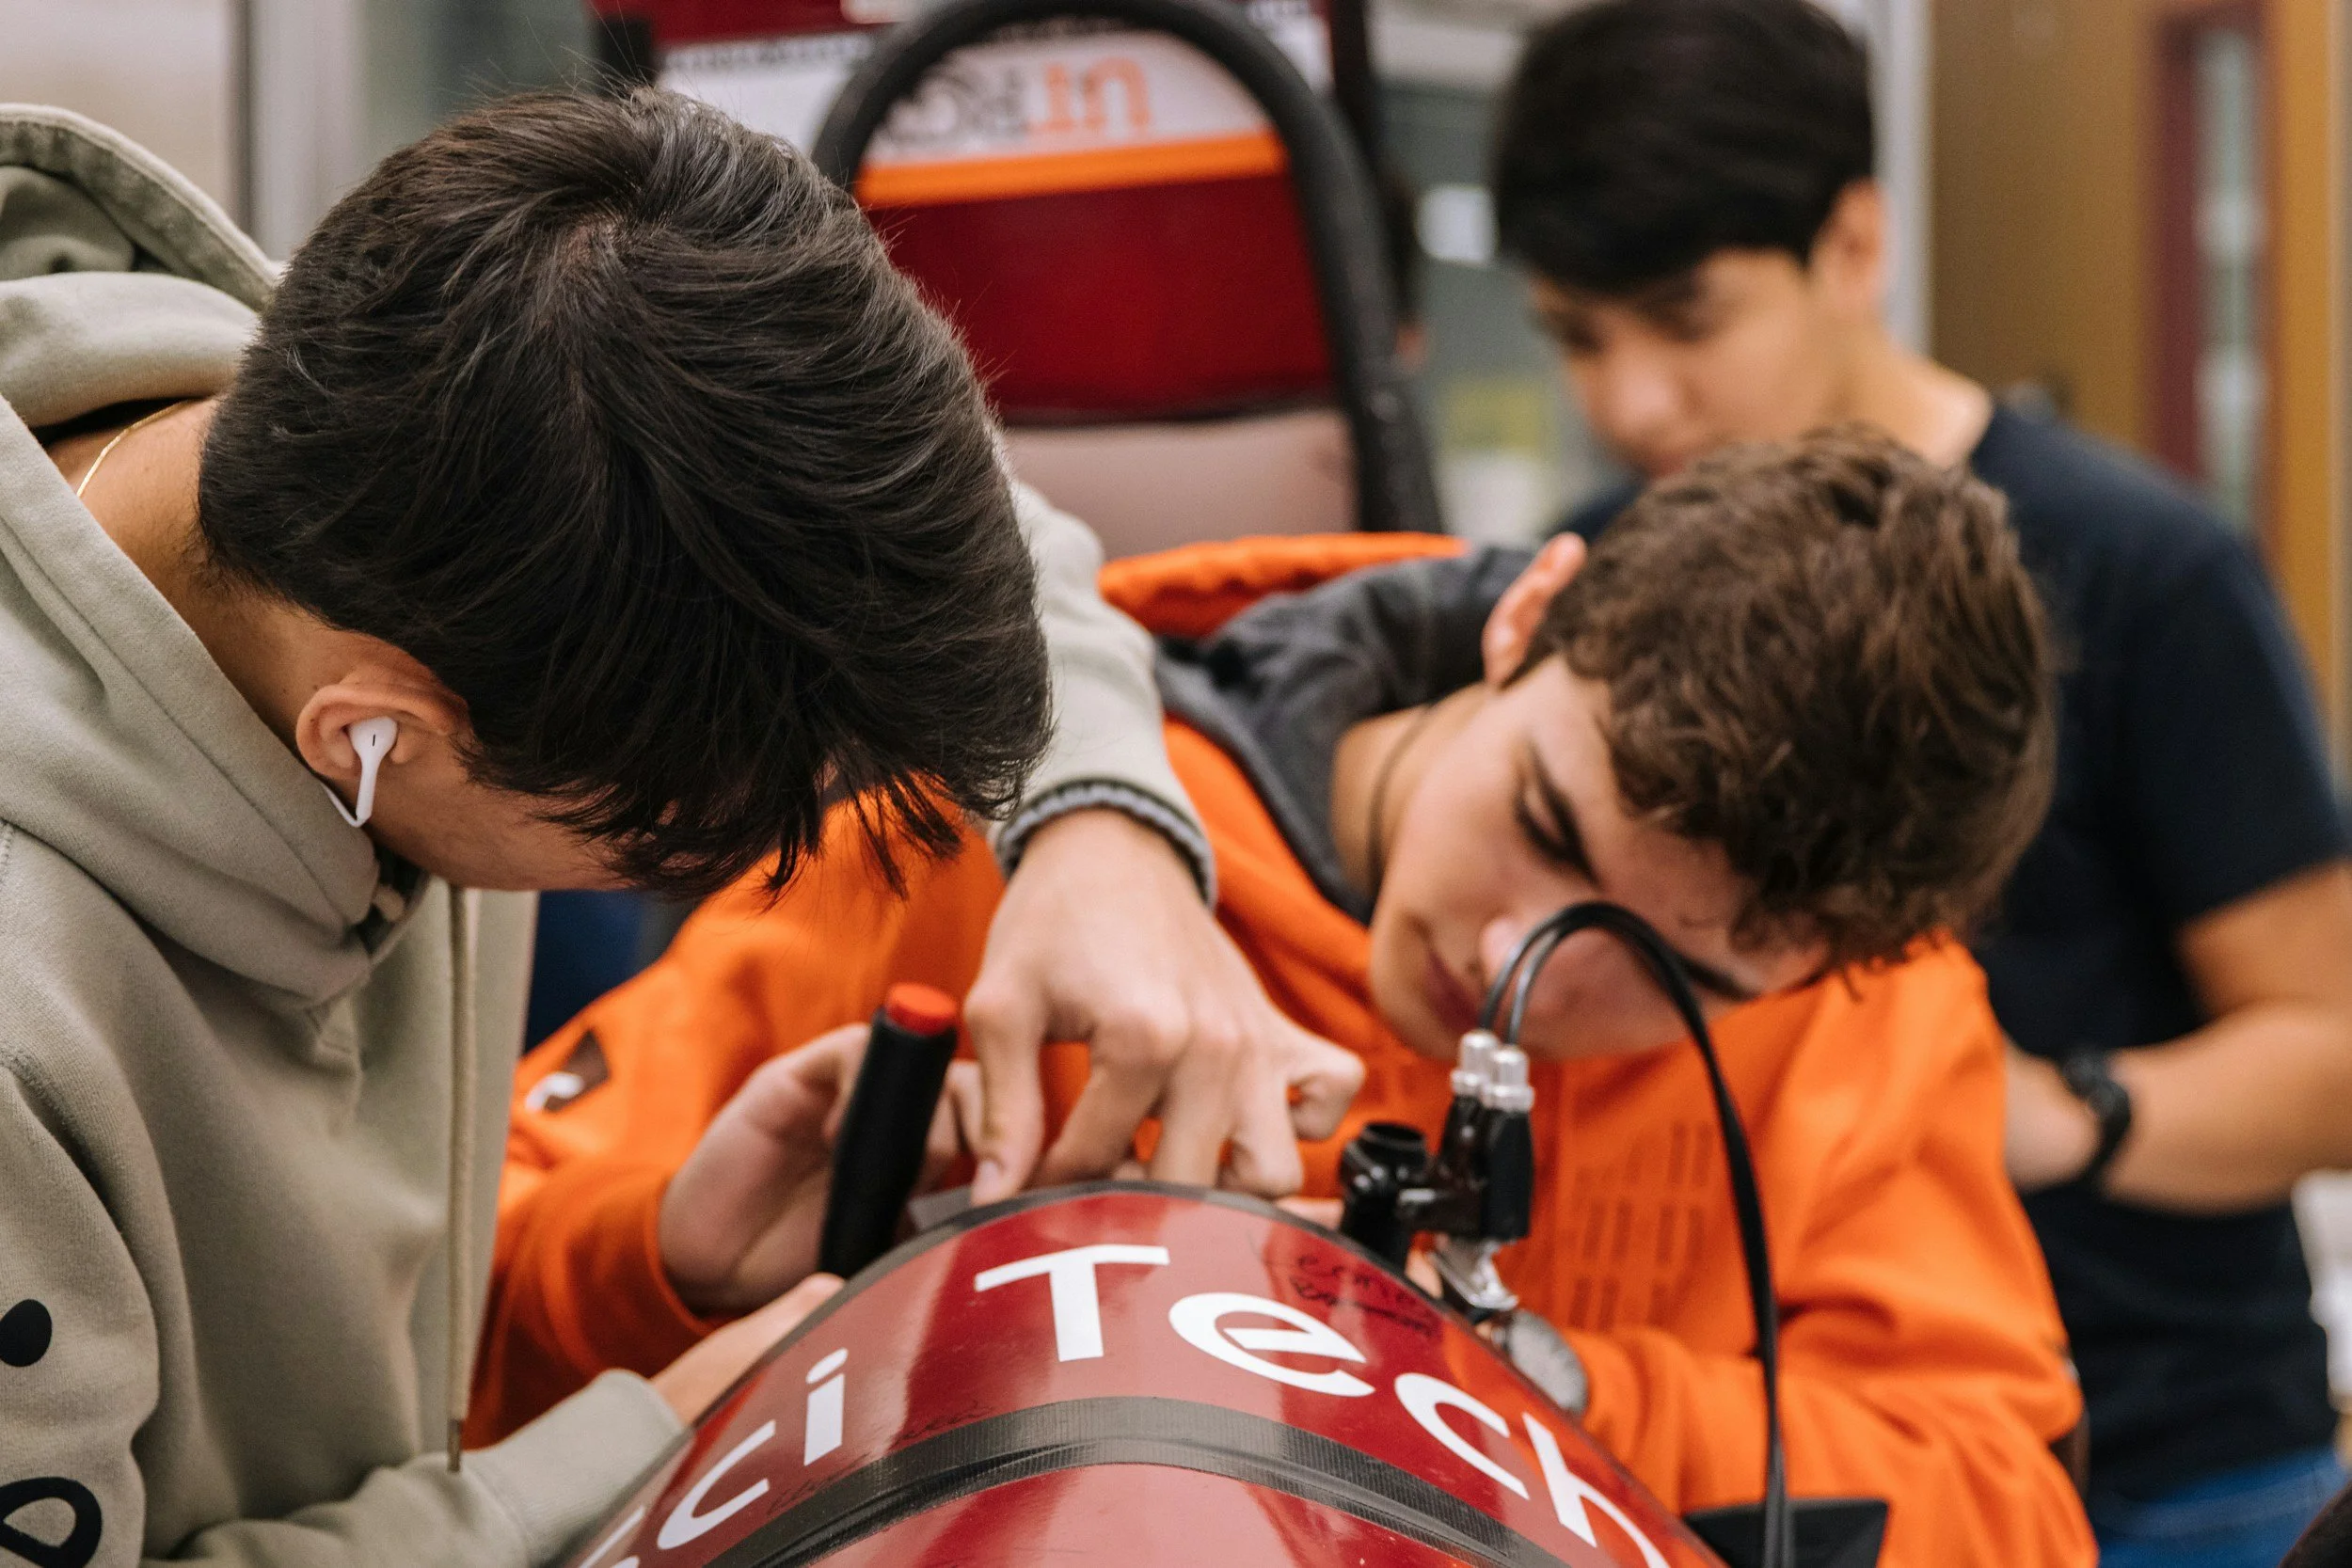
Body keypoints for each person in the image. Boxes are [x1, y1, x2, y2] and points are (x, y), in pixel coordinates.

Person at [0, 90, 1353, 1568]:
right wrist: (639, 1449)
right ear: (374, 736)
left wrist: (1103, 825)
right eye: (665, 853)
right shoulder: (28, 1034)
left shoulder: (434, 422)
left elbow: (949, 533)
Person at [483, 429, 2093, 1567]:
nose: (1525, 966)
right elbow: (428, 1322)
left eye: (1685, 975)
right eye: (1543, 824)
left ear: (1816, 968)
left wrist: (1534, 1391)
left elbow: (2005, 1511)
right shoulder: (1011, 840)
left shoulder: (1877, 1018)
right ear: (1528, 615)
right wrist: (666, 1268)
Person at [1472, 3, 2352, 1561]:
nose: (1635, 401)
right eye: (1579, 336)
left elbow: (2333, 1052)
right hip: (1772, 1458)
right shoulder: (1591, 576)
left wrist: (2048, 1111)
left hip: (2177, 1465)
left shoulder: (2148, 574)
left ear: (1855, 243)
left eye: (1687, 318)